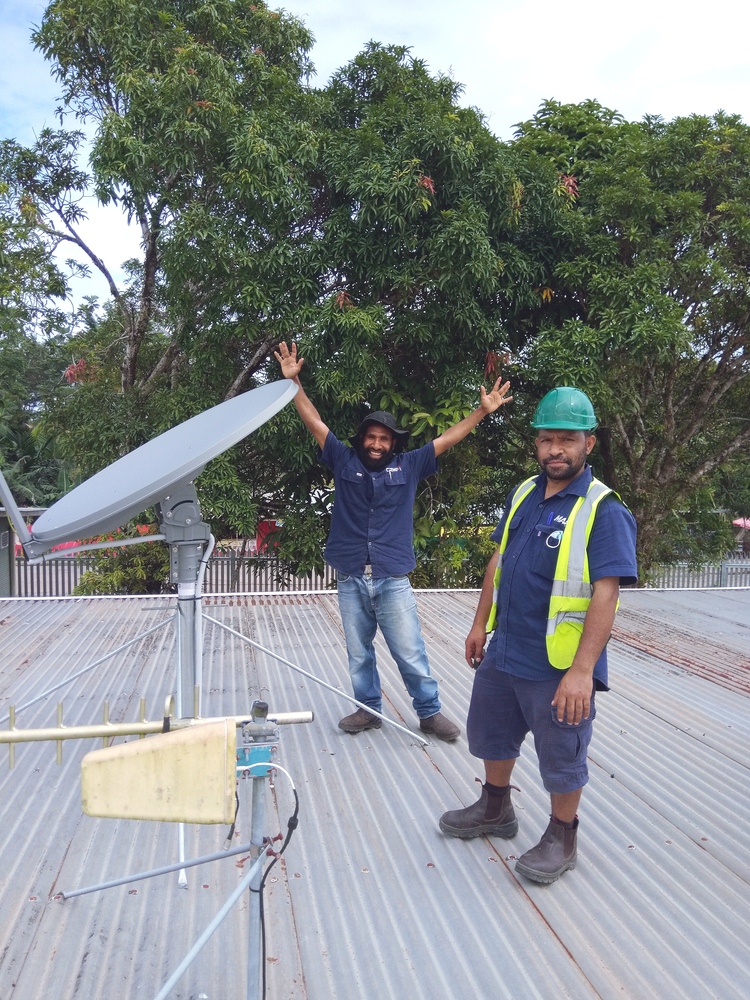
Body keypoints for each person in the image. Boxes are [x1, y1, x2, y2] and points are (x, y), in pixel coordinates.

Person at [439, 386, 637, 882]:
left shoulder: (603, 509)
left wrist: (582, 671)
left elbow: (607, 593)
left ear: (588, 443)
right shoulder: (525, 492)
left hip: (559, 663)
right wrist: (479, 623)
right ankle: (496, 808)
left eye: (567, 439)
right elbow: (499, 559)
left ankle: (562, 835)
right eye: (547, 439)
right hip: (506, 647)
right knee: (492, 734)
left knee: (561, 753)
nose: (555, 449)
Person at [275, 341, 512, 741]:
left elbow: (448, 439)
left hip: (392, 577)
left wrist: (481, 412)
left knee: (410, 651)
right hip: (351, 575)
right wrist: (294, 382)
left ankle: (429, 713)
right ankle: (368, 711)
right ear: (362, 439)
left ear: (394, 443)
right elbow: (314, 421)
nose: (376, 444)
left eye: (384, 439)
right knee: (358, 652)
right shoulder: (342, 458)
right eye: (371, 437)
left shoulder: (410, 464)